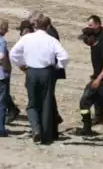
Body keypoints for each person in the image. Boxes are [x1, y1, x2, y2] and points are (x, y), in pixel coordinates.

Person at [10, 13, 69, 145]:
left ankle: (36, 128)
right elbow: (64, 57)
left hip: (32, 71)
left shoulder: (27, 38)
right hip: (47, 72)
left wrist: (22, 65)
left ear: (35, 25)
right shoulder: (51, 40)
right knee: (47, 103)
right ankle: (47, 136)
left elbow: (13, 53)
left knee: (32, 103)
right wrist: (57, 66)